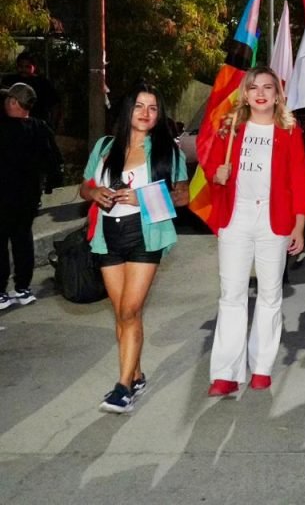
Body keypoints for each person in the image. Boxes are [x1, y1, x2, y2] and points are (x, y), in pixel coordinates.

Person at [203, 67, 305, 397]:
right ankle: (226, 372)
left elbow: (299, 182)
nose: (260, 93)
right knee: (231, 295)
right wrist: (216, 175)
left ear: (278, 94)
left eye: (268, 87)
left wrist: (299, 224)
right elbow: (211, 167)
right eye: (253, 88)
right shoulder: (231, 128)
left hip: (273, 221)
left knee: (269, 296)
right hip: (236, 219)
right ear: (245, 94)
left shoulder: (289, 132)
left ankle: (261, 366)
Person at [79, 82, 188, 413]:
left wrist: (142, 199)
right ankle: (137, 375)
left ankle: (122, 387)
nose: (146, 113)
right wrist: (94, 194)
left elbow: (182, 197)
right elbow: (85, 186)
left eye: (153, 108)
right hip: (107, 235)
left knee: (129, 310)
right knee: (123, 312)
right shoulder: (104, 147)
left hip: (145, 235)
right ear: (128, 110)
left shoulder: (169, 151)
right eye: (140, 106)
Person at [0, 83, 63, 311]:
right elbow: (53, 162)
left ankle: (1, 293)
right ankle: (23, 288)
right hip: (27, 198)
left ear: (14, 102)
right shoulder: (40, 128)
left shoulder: (3, 129)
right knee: (22, 239)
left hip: (3, 198)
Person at [2, 51, 60, 128]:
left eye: (27, 67)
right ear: (17, 66)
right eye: (20, 66)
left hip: (36, 127)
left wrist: (52, 125)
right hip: (12, 126)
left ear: (34, 67)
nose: (23, 69)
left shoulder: (42, 83)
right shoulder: (9, 80)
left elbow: (55, 105)